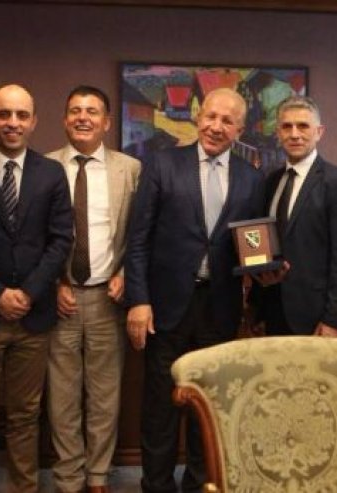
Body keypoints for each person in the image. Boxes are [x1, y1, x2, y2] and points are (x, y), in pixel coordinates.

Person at [124, 87, 265, 493]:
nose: (216, 127)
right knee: (160, 407)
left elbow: (252, 242)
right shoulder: (162, 164)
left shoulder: (252, 178)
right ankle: (156, 485)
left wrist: (264, 270)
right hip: (165, 307)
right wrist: (139, 300)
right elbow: (138, 239)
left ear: (239, 130)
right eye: (211, 117)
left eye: (227, 121)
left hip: (219, 308)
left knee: (208, 406)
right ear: (199, 117)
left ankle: (201, 485)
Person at [0, 84, 73, 492]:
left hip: (33, 316)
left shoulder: (51, 173)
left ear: (34, 121)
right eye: (4, 114)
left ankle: (24, 488)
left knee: (25, 416)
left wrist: (28, 293)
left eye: (22, 115)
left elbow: (61, 240)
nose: (13, 123)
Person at [46, 85, 141, 493]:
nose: (82, 117)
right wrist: (53, 283)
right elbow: (33, 238)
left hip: (108, 297)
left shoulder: (130, 169)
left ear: (106, 122)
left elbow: (142, 233)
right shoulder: (45, 167)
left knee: (105, 395)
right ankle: (69, 478)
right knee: (62, 397)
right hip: (61, 299)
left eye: (92, 111)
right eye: (75, 110)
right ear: (64, 119)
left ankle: (98, 476)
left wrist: (127, 274)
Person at [251, 95, 337, 336]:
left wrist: (334, 319)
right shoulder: (271, 181)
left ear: (319, 132)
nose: (294, 134)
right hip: (273, 310)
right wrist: (258, 305)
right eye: (287, 127)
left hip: (317, 315)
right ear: (278, 133)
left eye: (303, 126)